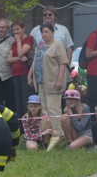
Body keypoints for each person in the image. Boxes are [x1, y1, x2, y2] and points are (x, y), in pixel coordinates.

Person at [28, 23, 68, 152]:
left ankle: (58, 134)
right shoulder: (40, 45)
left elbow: (63, 63)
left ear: (52, 32)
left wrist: (60, 80)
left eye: (46, 32)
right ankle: (46, 135)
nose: (44, 34)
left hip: (53, 81)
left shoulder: (58, 45)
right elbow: (35, 60)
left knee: (53, 109)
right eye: (42, 32)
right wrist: (30, 75)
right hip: (41, 82)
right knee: (44, 110)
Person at [6, 20, 35, 120]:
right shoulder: (13, 44)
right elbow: (9, 59)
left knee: (25, 100)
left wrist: (18, 41)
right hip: (15, 74)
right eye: (13, 30)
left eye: (18, 29)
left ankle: (30, 123)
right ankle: (21, 127)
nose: (16, 32)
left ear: (23, 29)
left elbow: (21, 52)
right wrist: (19, 58)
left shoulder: (29, 39)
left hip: (25, 73)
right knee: (18, 101)